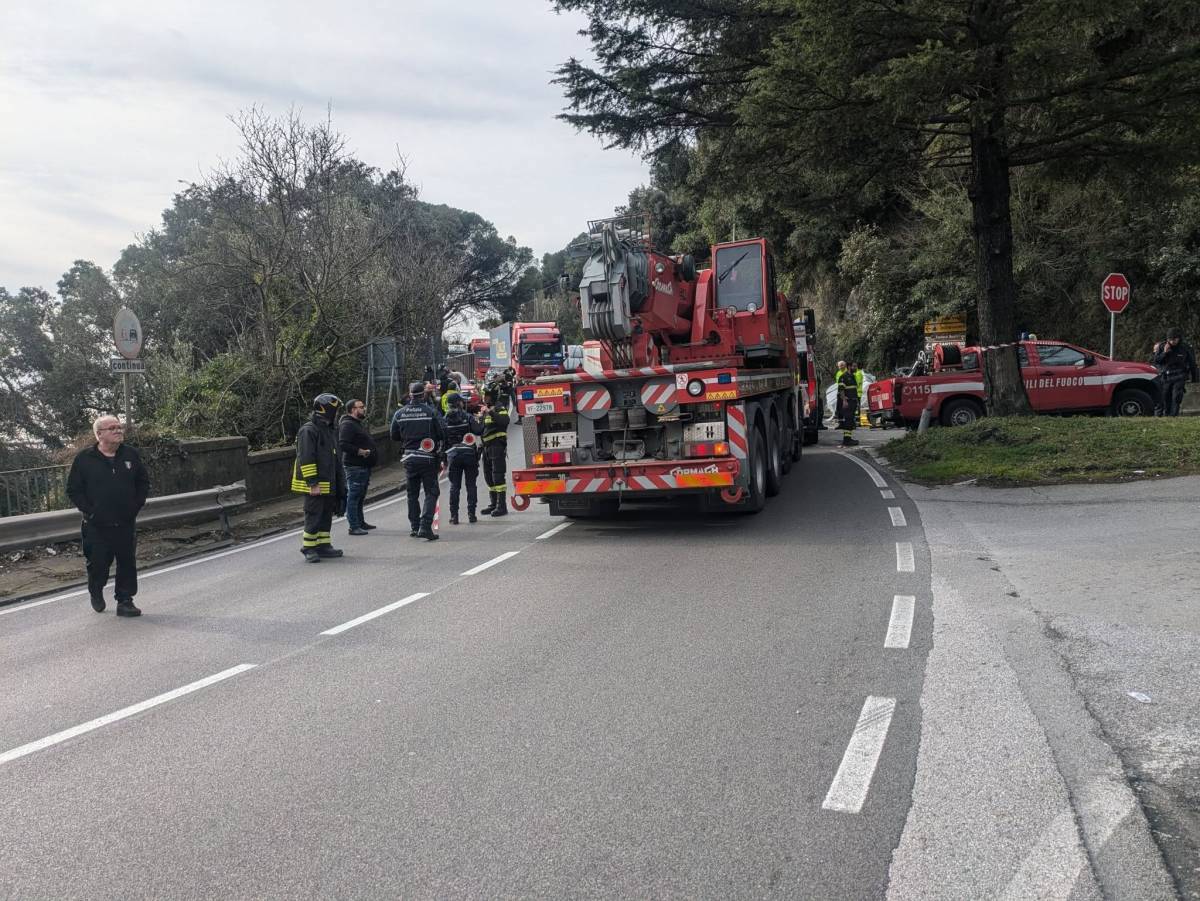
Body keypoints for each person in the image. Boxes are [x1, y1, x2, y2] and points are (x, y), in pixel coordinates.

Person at [67, 415, 150, 616]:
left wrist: (135, 506)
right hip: (96, 525)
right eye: (112, 428)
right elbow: (74, 490)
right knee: (98, 565)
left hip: (125, 522)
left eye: (119, 427)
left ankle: (125, 600)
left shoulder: (131, 454)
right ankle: (96, 590)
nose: (118, 430)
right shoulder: (84, 459)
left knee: (126, 562)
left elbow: (143, 483)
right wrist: (91, 512)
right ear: (99, 434)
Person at [293, 394, 347, 563]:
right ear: (327, 410)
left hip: (328, 481)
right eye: (335, 410)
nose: (337, 414)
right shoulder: (309, 430)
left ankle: (323, 545)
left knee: (325, 514)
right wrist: (312, 483)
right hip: (315, 484)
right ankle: (308, 547)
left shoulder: (329, 430)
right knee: (314, 514)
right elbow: (306, 458)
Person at [392, 380, 446, 540]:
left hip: (409, 458)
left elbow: (393, 435)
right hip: (428, 458)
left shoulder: (399, 414)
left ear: (410, 395)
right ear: (423, 395)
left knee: (412, 494)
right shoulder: (430, 411)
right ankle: (425, 526)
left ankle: (414, 527)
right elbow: (442, 431)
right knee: (432, 492)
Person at [338, 399, 378, 536]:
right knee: (354, 496)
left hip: (363, 466)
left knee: (360, 496)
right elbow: (343, 444)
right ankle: (353, 526)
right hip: (355, 466)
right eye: (361, 407)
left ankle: (361, 522)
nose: (364, 409)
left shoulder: (356, 424)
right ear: (353, 410)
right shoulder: (347, 425)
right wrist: (361, 452)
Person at [443, 391, 483, 524]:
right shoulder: (468, 417)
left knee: (455, 486)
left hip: (453, 455)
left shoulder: (444, 420)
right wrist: (482, 418)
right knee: (471, 485)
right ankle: (472, 515)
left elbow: (441, 440)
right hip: (469, 454)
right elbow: (479, 430)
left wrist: (443, 459)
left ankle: (454, 516)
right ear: (459, 403)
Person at [478, 386, 512, 516]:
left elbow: (504, 421)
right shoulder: (486, 409)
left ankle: (501, 506)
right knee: (488, 476)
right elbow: (483, 429)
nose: (484, 397)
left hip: (497, 447)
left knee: (498, 476)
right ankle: (493, 504)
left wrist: (490, 412)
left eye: (486, 395)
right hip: (486, 448)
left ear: (492, 395)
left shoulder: (499, 407)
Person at [1152, 328, 1199, 417]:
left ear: (1179, 338)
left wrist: (1194, 378)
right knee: (1166, 397)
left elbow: (1192, 363)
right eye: (1170, 339)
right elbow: (1156, 361)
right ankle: (1167, 415)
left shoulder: (1186, 348)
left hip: (1180, 376)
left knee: (1176, 397)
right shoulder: (1162, 346)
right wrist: (1164, 353)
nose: (1172, 341)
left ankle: (1173, 416)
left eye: (1174, 339)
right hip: (1166, 376)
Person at [836, 367, 860, 447]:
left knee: (850, 420)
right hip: (848, 401)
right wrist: (844, 401)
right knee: (848, 420)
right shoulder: (844, 377)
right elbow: (841, 389)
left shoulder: (852, 376)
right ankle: (847, 439)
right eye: (854, 366)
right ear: (849, 367)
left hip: (852, 401)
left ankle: (848, 438)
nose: (856, 367)